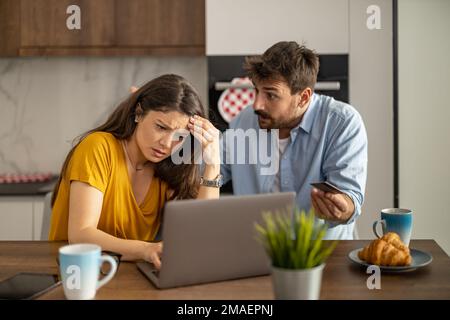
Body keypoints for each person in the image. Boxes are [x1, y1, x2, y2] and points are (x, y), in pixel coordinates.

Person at [49, 74, 221, 269]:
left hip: (126, 275)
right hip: (71, 272)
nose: (166, 144)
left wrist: (213, 164)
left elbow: (201, 234)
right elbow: (81, 235)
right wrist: (146, 250)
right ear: (138, 113)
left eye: (179, 137)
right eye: (161, 127)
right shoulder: (97, 147)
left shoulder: (169, 169)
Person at [221, 41, 368, 239]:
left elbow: (350, 200)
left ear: (304, 98)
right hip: (257, 251)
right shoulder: (244, 121)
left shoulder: (342, 123)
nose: (256, 104)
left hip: (322, 254)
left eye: (271, 95)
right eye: (256, 91)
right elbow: (210, 172)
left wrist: (343, 208)